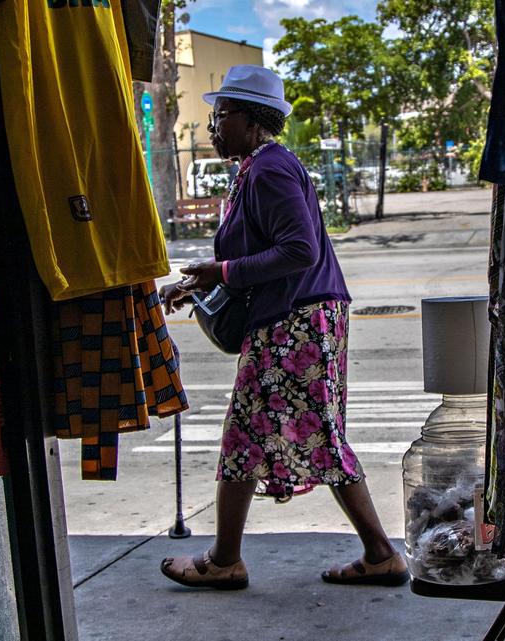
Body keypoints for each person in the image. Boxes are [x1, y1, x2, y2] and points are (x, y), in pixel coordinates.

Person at [158, 65, 407, 590]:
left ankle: (233, 560)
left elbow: (298, 250)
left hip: (298, 325)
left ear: (253, 120)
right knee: (263, 437)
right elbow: (258, 253)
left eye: (222, 116)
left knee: (282, 436)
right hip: (296, 320)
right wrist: (198, 284)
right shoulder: (255, 168)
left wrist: (219, 271)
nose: (213, 126)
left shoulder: (269, 168)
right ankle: (374, 553)